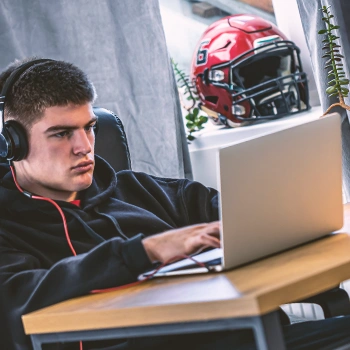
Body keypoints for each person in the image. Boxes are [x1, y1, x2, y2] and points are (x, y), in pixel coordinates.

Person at [0, 58, 349, 350]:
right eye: (62, 134)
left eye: (89, 127)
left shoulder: (137, 189)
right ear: (13, 142)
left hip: (256, 336)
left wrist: (288, 198)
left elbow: (231, 213)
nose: (85, 146)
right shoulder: (8, 225)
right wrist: (145, 250)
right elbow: (18, 300)